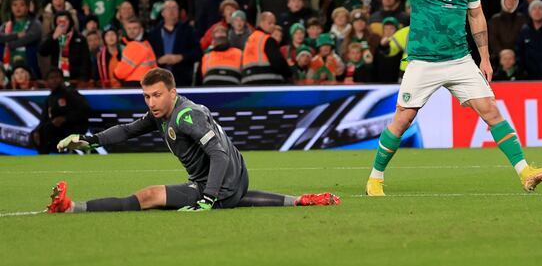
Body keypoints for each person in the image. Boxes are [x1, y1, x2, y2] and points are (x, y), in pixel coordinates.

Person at [366, 0, 542, 196]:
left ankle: (525, 172)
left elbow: (476, 15)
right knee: (403, 119)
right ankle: (375, 179)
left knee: (491, 111)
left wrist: (485, 58)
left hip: (459, 59)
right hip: (423, 60)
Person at [48, 68, 340, 213]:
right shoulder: (162, 114)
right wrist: (89, 140)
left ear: (172, 93)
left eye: (157, 95)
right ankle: (300, 200)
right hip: (233, 181)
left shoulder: (187, 116)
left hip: (219, 183)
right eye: (147, 96)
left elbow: (219, 155)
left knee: (148, 196)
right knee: (232, 198)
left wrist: (207, 199)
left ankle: (71, 207)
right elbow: (127, 130)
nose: (151, 102)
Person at [32, 69, 90, 154]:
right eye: (51, 78)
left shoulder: (70, 93)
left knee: (48, 129)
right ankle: (43, 157)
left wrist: (65, 118)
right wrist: (37, 130)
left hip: (74, 126)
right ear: (47, 82)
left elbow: (85, 110)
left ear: (62, 79)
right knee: (38, 132)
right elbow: (43, 119)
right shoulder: (49, 99)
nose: (55, 80)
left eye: (57, 77)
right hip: (57, 129)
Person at [38, 10, 92, 83]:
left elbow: (85, 61)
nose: (62, 23)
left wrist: (83, 80)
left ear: (70, 22)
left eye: (65, 20)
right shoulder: (52, 36)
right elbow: (42, 52)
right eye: (59, 21)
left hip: (75, 78)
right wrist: (53, 38)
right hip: (57, 78)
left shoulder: (80, 38)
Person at [241, 11, 292, 85]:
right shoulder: (267, 39)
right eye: (270, 23)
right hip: (266, 81)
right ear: (261, 23)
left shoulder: (250, 39)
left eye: (274, 23)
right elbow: (278, 63)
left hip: (248, 81)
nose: (273, 26)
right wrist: (289, 73)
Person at [114, 18, 157, 87]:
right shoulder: (147, 44)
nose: (131, 31)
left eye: (135, 28)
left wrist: (115, 74)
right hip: (147, 83)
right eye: (129, 29)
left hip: (133, 84)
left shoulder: (134, 45)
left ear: (141, 30)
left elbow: (120, 73)